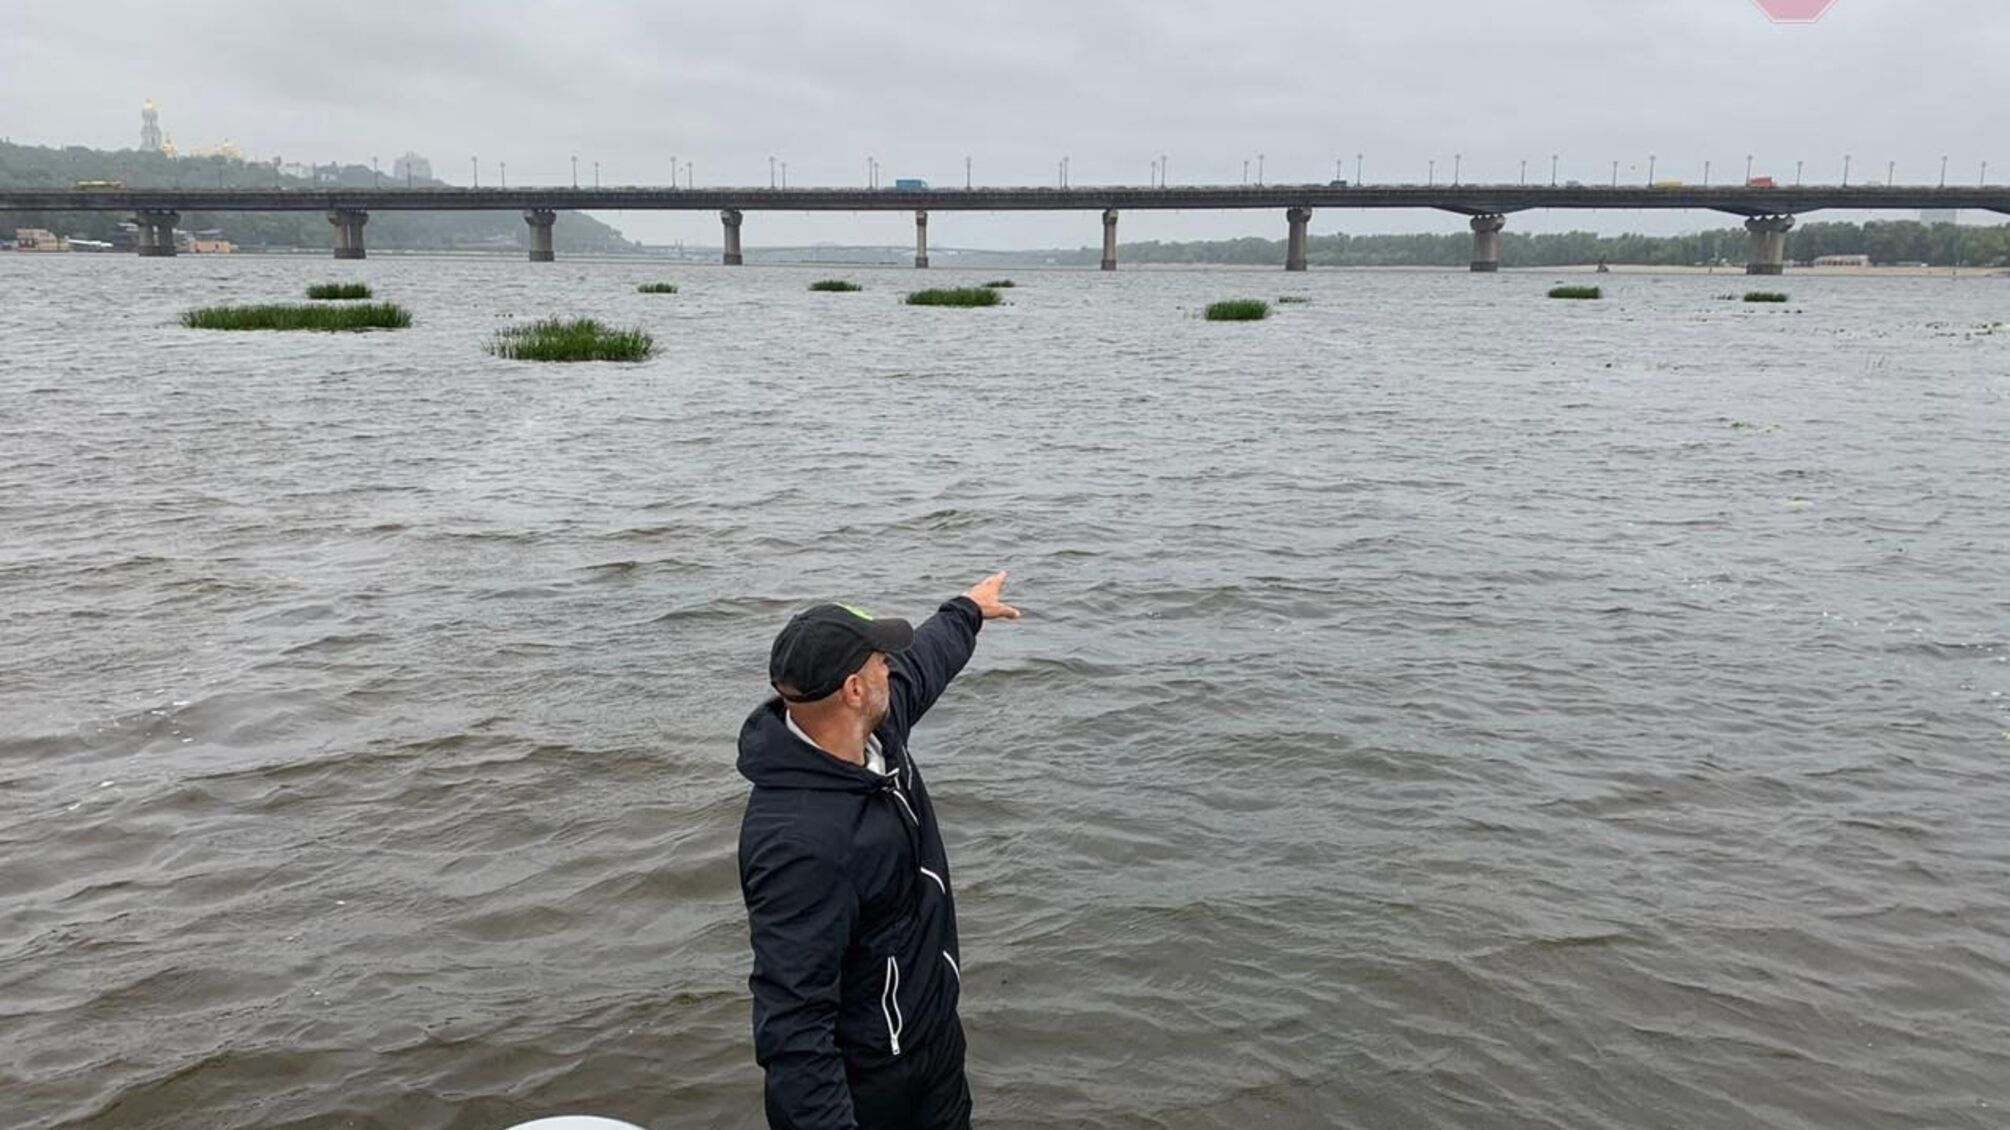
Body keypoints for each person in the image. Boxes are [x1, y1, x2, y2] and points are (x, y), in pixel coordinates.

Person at [738, 572, 1020, 1130]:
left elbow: (924, 664)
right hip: (875, 1086)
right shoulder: (800, 846)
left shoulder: (874, 737)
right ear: (854, 689)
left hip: (932, 1039)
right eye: (878, 660)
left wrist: (966, 610)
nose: (890, 665)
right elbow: (794, 1029)